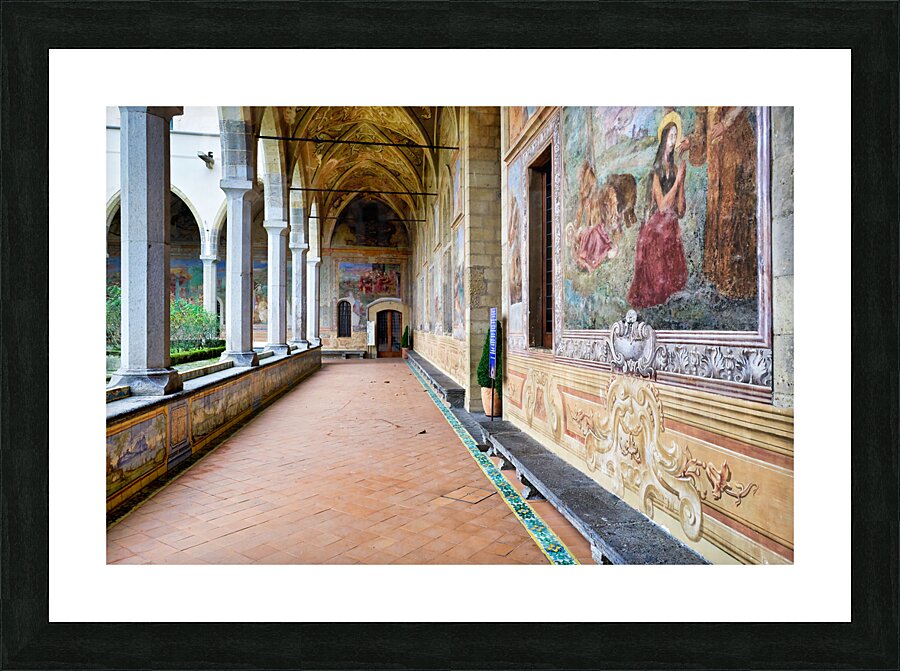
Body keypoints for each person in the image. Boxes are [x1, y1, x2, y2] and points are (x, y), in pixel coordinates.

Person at [677, 106, 757, 299]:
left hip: (736, 150)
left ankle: (739, 283)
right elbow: (701, 133)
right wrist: (691, 141)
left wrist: (726, 123)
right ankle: (720, 280)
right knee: (718, 211)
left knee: (734, 209)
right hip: (716, 161)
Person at [627, 113, 688, 309]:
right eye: (671, 136)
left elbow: (680, 210)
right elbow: (662, 206)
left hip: (670, 227)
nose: (674, 141)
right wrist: (677, 181)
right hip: (655, 230)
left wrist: (682, 182)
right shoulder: (656, 171)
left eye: (676, 136)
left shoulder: (676, 168)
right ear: (663, 139)